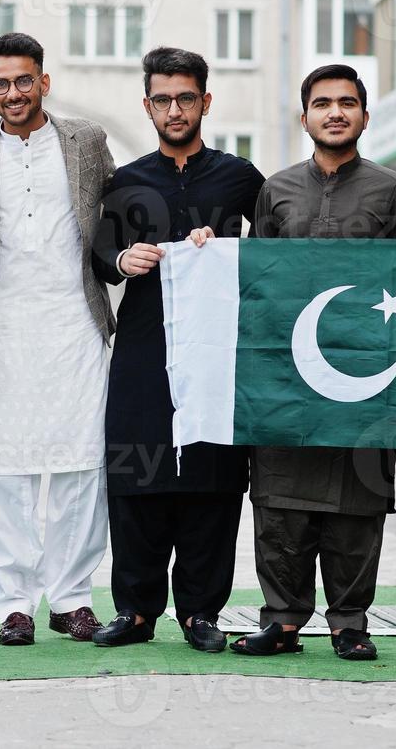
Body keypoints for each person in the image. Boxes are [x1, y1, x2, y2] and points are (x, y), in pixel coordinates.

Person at [222, 63, 396, 661]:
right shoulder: (274, 191)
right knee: (279, 500)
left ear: (365, 114)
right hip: (287, 377)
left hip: (362, 374)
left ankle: (350, 623)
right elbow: (260, 284)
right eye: (323, 103)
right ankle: (282, 621)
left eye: (348, 103)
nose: (336, 112)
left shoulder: (394, 192)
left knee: (357, 501)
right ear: (303, 115)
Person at [89, 46, 265, 649]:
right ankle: (136, 611)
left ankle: (199, 612)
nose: (174, 109)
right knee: (138, 470)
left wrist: (220, 247)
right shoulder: (126, 181)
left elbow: (272, 257)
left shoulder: (240, 178)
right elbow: (98, 257)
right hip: (143, 346)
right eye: (162, 99)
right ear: (147, 106)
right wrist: (123, 257)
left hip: (218, 351)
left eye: (185, 97)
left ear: (205, 102)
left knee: (211, 477)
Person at [0, 32, 113, 646]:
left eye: (24, 81)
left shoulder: (86, 141)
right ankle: (13, 603)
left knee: (79, 464)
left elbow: (118, 217)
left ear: (44, 82)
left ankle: (72, 598)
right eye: (0, 84)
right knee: (3, 470)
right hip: (0, 330)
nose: (13, 94)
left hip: (75, 323)